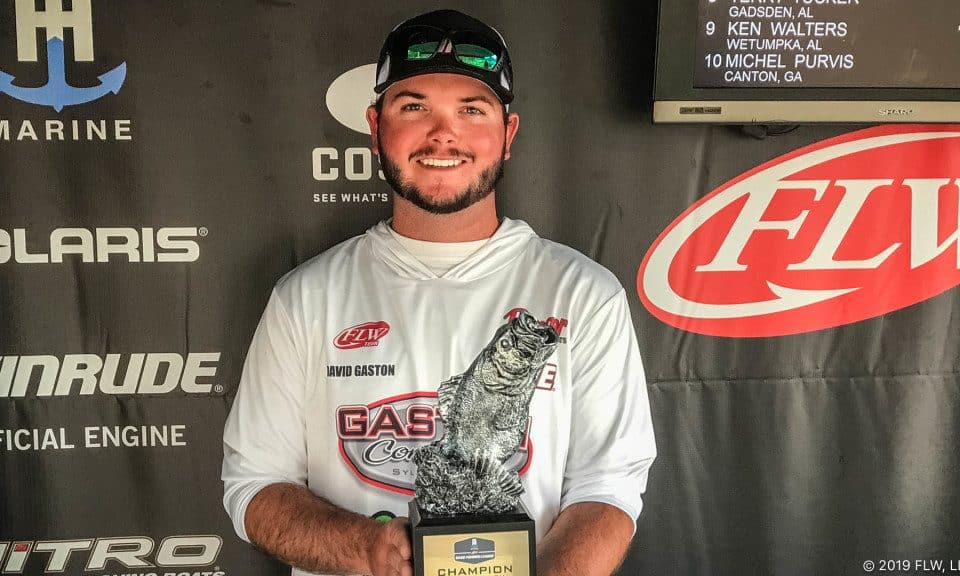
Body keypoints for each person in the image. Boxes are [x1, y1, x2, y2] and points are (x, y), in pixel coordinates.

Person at [222, 9, 656, 576]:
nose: (443, 134)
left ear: (508, 134)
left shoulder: (584, 294)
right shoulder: (305, 298)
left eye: (471, 110)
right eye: (414, 107)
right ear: (375, 127)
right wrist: (364, 548)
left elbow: (609, 488)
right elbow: (254, 485)